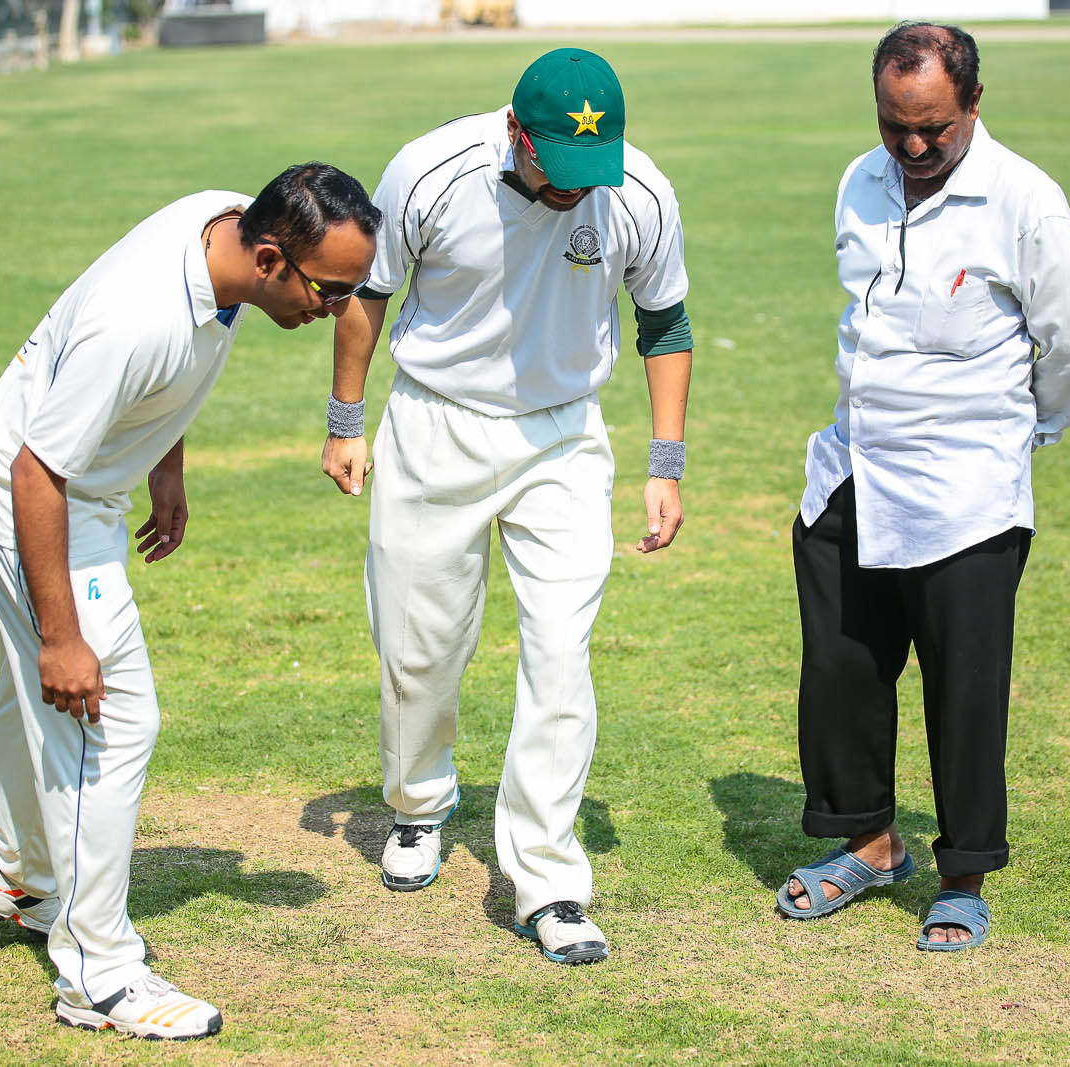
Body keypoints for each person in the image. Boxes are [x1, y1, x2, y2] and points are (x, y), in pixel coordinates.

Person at [0, 164, 379, 1036]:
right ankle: (98, 973)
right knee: (109, 718)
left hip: (82, 484)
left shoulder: (220, 222)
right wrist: (62, 635)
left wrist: (163, 461)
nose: (340, 310)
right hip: (36, 497)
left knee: (50, 703)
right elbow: (35, 472)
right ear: (269, 259)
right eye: (331, 291)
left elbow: (178, 361)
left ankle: (16, 869)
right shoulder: (136, 320)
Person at [320, 48, 693, 965]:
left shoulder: (637, 191)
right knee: (418, 645)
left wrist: (666, 461)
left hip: (562, 435)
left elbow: (665, 320)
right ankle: (418, 805)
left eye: (588, 171)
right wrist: (345, 420)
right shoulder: (431, 170)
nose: (573, 189)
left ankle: (549, 881)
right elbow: (369, 293)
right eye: (555, 167)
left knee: (561, 651)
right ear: (517, 131)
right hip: (434, 420)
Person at [777, 23, 1070, 951]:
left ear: (974, 103)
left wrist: (1022, 435)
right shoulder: (860, 180)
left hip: (966, 489)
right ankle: (870, 843)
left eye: (934, 128)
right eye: (896, 126)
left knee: (965, 690)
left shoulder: (1025, 202)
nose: (914, 147)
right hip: (854, 464)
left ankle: (961, 877)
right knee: (840, 669)